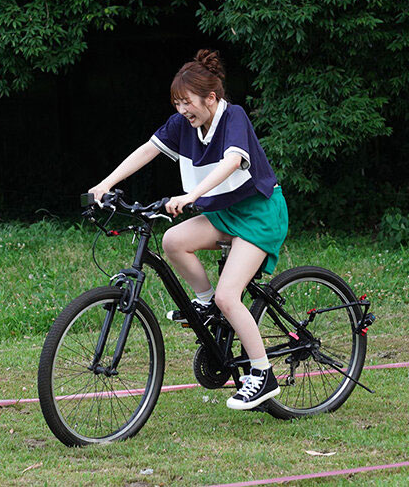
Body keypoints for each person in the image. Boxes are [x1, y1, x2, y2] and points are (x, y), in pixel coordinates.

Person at [88, 49, 288, 411]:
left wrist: (193, 195)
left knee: (232, 296)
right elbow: (147, 150)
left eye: (187, 102)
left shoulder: (234, 117)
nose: (182, 110)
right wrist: (105, 184)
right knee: (173, 240)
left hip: (259, 214)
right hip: (225, 213)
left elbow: (231, 161)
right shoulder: (184, 125)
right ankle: (206, 301)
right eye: (177, 103)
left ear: (211, 98)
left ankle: (263, 375)